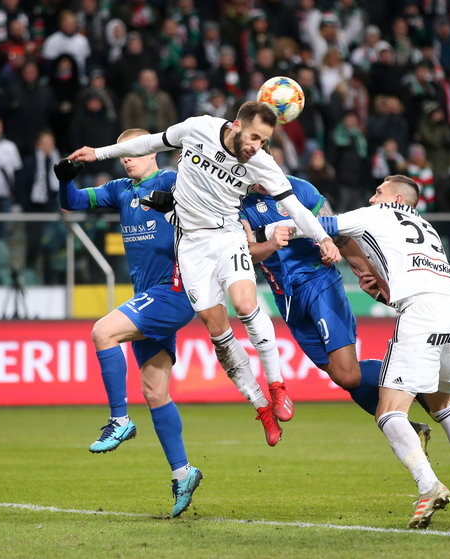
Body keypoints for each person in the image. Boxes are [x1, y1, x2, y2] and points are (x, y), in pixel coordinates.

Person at [67, 101, 342, 434]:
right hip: (192, 247)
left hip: (228, 237)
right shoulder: (199, 128)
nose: (257, 147)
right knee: (218, 332)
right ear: (237, 126)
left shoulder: (260, 162)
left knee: (244, 305)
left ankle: (277, 384)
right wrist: (98, 154)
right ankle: (261, 408)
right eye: (254, 137)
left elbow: (294, 207)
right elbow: (148, 142)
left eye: (264, 141)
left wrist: (322, 238)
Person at [56, 128, 271, 517]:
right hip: (147, 296)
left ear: (150, 152)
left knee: (102, 331)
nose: (127, 158)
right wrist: (65, 179)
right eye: (122, 153)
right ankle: (183, 472)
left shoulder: (174, 178)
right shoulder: (121, 189)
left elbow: (212, 199)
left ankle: (118, 420)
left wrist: (174, 202)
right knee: (155, 392)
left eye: (132, 152)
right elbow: (72, 202)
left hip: (173, 290)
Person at [271, 174, 450, 528]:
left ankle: (429, 485)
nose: (373, 196)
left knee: (389, 412)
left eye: (379, 191)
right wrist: (377, 285)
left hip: (423, 314)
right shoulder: (426, 226)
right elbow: (402, 281)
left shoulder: (376, 214)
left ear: (396, 198)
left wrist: (276, 228)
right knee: (443, 405)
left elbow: (320, 225)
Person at [240, 174, 431, 450]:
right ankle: (409, 426)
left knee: (350, 374)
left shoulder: (300, 190)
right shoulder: (239, 201)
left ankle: (415, 383)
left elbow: (338, 235)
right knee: (344, 375)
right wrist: (270, 244)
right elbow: (245, 252)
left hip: (320, 283)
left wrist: (368, 272)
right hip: (287, 299)